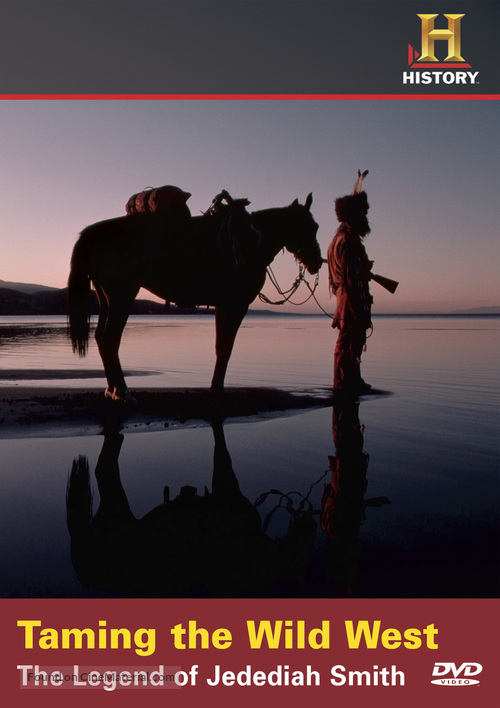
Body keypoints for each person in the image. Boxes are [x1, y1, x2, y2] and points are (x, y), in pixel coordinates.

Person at [327, 171, 373, 394]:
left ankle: (349, 380)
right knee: (349, 343)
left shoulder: (336, 241)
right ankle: (346, 383)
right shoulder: (350, 243)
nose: (366, 218)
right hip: (350, 303)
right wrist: (360, 311)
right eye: (362, 214)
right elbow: (352, 281)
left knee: (348, 343)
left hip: (343, 301)